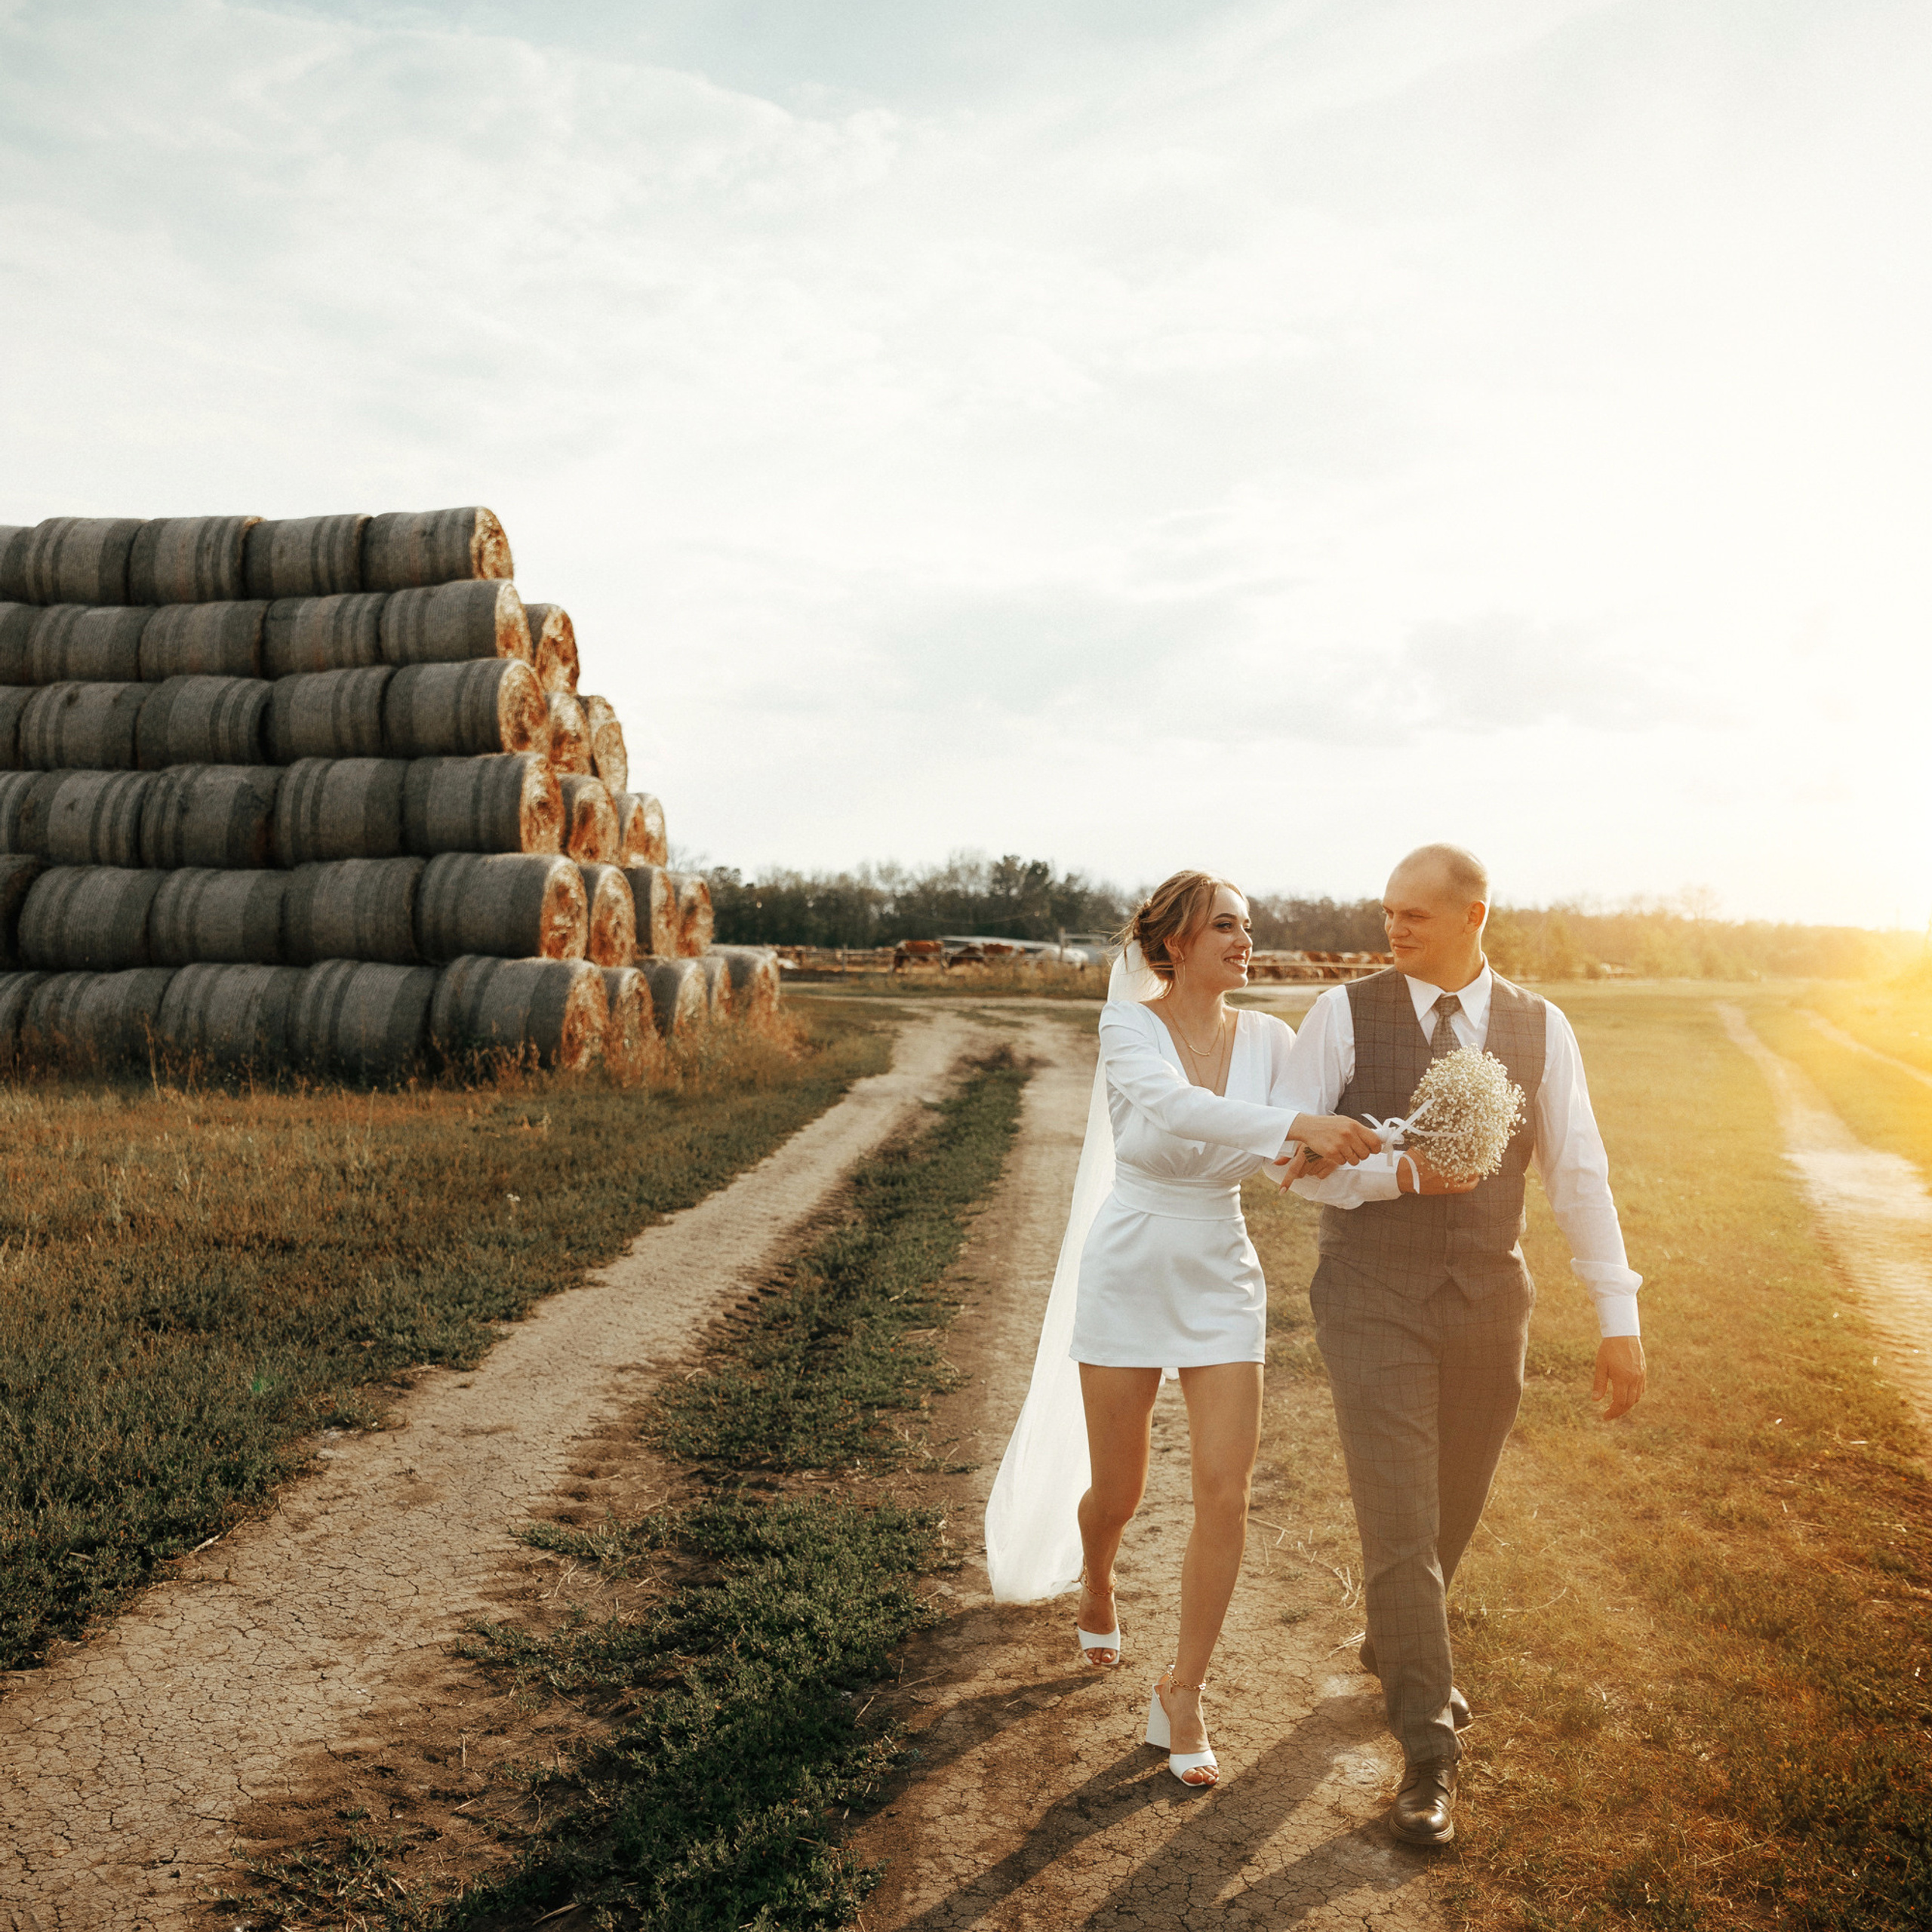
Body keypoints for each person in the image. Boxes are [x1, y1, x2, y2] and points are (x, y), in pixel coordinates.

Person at [1281, 843, 1646, 1845]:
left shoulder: (1542, 1026)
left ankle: (1399, 1643)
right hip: (1370, 1295)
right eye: (1386, 912)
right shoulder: (1342, 1014)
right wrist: (1393, 1179)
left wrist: (1619, 1319)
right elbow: (1296, 1163)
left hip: (1492, 1300)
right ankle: (1429, 1754)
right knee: (1398, 1516)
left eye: (1414, 916)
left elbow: (1580, 1174)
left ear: (1474, 915)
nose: (1391, 930)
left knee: (1449, 1509)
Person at [985, 870, 1380, 1788]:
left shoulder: (1275, 1040)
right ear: (1172, 946)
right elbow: (1173, 1110)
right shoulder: (1127, 1024)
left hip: (1220, 1266)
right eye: (1225, 928)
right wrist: (1298, 1122)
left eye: (1248, 925)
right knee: (1118, 1490)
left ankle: (1184, 1690)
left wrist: (1368, 1153)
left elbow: (1294, 1148)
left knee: (1224, 1489)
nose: (1246, 941)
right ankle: (1096, 1573)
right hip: (1129, 1260)